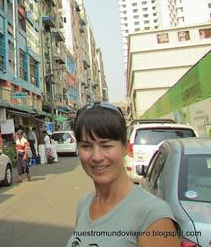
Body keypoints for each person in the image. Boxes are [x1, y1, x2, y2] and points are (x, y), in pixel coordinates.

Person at [66, 102, 180, 247]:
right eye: (86, 146)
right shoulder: (84, 205)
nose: (96, 157)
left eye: (106, 146)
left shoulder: (153, 215)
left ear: (125, 147)